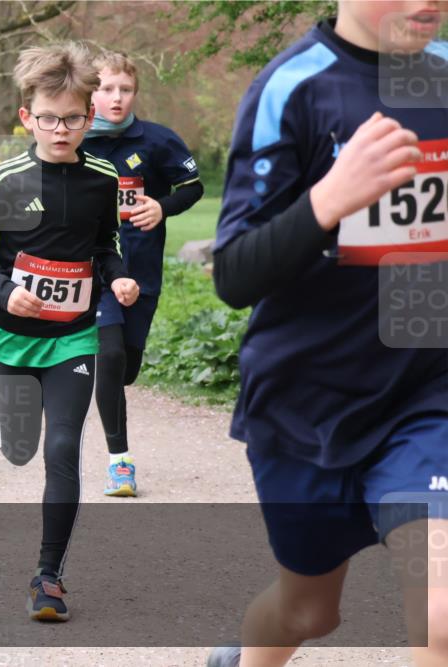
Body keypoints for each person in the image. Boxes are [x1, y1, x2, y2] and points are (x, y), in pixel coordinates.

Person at [206, 2, 447, 666]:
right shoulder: (293, 87)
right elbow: (233, 274)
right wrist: (330, 198)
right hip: (307, 403)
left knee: (442, 613)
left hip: (426, 394)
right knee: (309, 609)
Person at [0, 43, 139, 622]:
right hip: (13, 334)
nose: (61, 129)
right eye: (49, 118)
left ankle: (48, 577)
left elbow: (105, 244)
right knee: (18, 449)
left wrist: (119, 279)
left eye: (73, 118)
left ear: (91, 117)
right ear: (26, 117)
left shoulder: (103, 177)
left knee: (62, 450)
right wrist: (1, 289)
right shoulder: (7, 178)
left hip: (74, 337)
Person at [80, 51, 203, 496]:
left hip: (143, 272)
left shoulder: (157, 141)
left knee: (125, 369)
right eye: (107, 88)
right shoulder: (74, 140)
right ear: (90, 91)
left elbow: (193, 186)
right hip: (94, 272)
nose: (116, 98)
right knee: (108, 358)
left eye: (125, 89)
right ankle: (121, 463)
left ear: (135, 93)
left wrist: (160, 206)